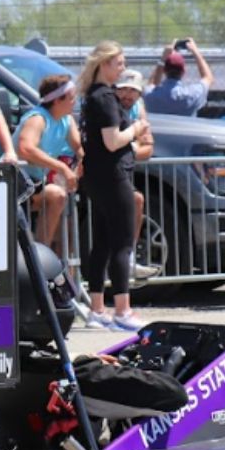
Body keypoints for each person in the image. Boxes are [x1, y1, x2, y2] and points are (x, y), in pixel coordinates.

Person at [77, 41, 150, 331]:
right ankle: (122, 310)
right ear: (104, 64)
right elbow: (112, 141)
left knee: (104, 241)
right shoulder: (105, 97)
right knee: (122, 242)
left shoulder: (91, 95)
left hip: (97, 176)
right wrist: (135, 130)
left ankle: (97, 307)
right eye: (119, 63)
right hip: (113, 175)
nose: (122, 68)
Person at [14, 73, 81, 250]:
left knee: (59, 199)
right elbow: (25, 149)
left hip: (35, 183)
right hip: (15, 181)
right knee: (56, 195)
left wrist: (80, 165)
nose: (75, 101)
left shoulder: (67, 120)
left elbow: (79, 147)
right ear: (58, 100)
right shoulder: (38, 118)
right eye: (72, 97)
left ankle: (41, 257)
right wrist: (62, 168)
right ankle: (35, 257)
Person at [114, 70, 161, 282]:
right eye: (123, 89)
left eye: (133, 91)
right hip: (102, 171)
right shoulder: (108, 107)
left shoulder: (138, 109)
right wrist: (132, 144)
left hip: (122, 171)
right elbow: (110, 145)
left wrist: (127, 149)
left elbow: (148, 148)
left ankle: (128, 258)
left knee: (137, 200)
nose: (127, 95)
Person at [143, 37, 214, 116]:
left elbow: (151, 84)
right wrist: (195, 52)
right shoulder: (192, 94)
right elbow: (208, 78)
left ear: (164, 71)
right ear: (183, 72)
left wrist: (163, 58)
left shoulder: (151, 96)